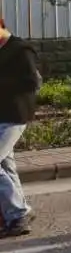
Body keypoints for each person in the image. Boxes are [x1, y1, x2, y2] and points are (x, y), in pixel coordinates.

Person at [0, 15, 41, 238]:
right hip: (0, 115)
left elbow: (33, 82)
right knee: (6, 167)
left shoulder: (21, 49)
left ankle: (18, 213)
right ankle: (19, 212)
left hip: (15, 116)